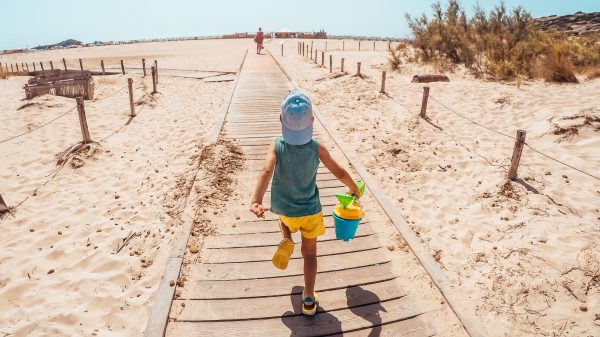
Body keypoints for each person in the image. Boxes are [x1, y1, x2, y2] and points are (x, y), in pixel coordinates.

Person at [249, 91, 360, 316]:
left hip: (287, 210)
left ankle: (287, 238)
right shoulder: (316, 147)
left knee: (283, 219)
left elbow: (266, 170)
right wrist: (354, 189)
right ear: (311, 121)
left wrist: (256, 200)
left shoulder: (277, 145)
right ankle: (309, 298)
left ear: (281, 120)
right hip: (310, 211)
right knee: (309, 254)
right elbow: (338, 171)